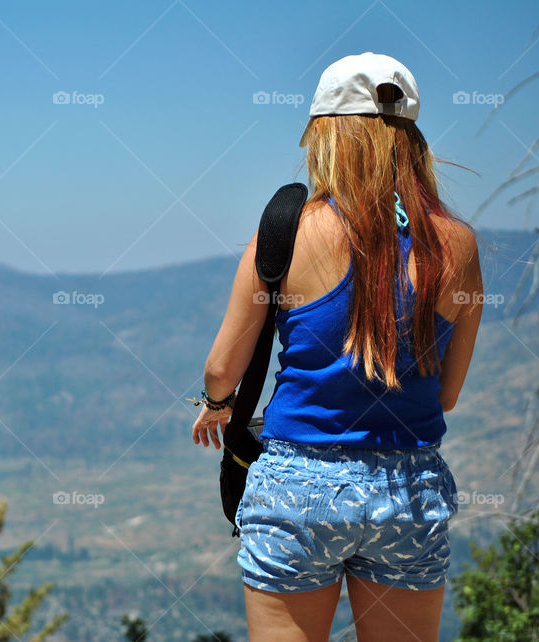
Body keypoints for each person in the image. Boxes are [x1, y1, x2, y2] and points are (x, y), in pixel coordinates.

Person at [191, 52, 483, 641]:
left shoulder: (285, 234)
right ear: (412, 138)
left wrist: (216, 405)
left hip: (297, 491)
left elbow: (223, 370)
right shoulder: (458, 245)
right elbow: (446, 395)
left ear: (325, 134)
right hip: (409, 489)